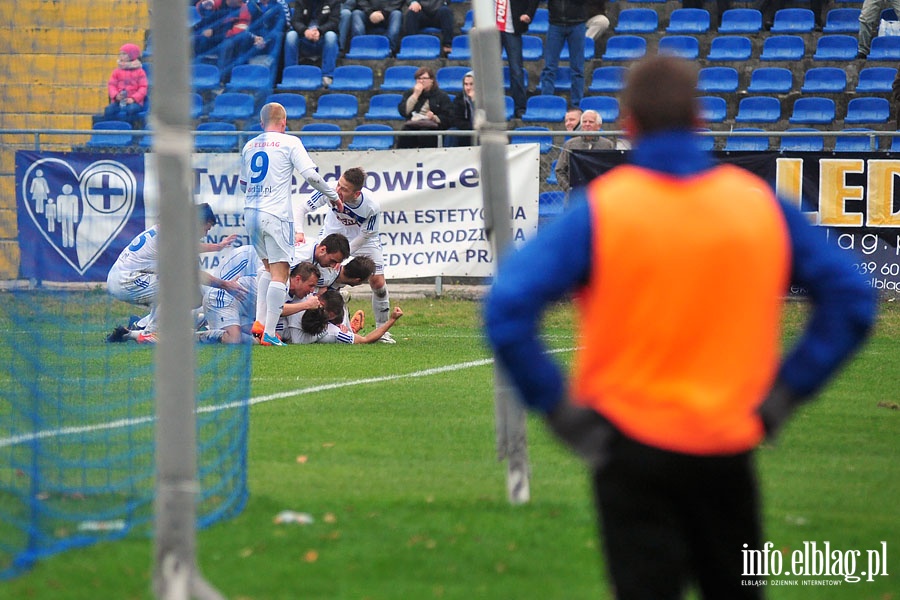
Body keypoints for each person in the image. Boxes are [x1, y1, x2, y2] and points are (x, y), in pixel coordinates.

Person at [484, 55, 877, 599]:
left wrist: (559, 410)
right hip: (726, 441)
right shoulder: (757, 204)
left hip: (627, 445)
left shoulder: (603, 209)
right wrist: (786, 393)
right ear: (701, 119)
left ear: (627, 123)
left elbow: (505, 308)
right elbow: (854, 300)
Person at [240, 101, 340, 347]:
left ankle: (260, 322)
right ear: (284, 123)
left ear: (262, 124)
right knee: (280, 274)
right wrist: (332, 196)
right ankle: (271, 333)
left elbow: (244, 183)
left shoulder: (249, 145)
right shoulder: (290, 142)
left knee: (266, 268)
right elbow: (311, 175)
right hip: (276, 215)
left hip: (250, 213)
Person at [106, 203, 243, 344]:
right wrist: (225, 285)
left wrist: (218, 247)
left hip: (120, 277)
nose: (205, 234)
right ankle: (151, 333)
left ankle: (137, 330)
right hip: (127, 280)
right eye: (206, 229)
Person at [305, 167, 397, 342]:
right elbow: (304, 206)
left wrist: (343, 256)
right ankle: (333, 325)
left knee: (378, 283)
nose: (338, 190)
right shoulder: (329, 189)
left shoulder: (371, 206)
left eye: (344, 189)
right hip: (332, 236)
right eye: (339, 184)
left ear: (356, 194)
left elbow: (365, 235)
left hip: (362, 240)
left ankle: (382, 330)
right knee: (319, 279)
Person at [540, 0, 587, 110]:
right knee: (549, 67)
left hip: (577, 23)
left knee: (577, 69)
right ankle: (546, 104)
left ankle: (577, 105)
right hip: (555, 23)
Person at [284, 0, 341, 88]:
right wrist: (305, 31)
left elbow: (334, 22)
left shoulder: (333, 2)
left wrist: (320, 31)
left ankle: (327, 76)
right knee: (291, 36)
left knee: (331, 36)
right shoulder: (301, 1)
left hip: (322, 39)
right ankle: (291, 74)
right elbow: (295, 21)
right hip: (305, 39)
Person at [496, 0, 538, 119]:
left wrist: (529, 14)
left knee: (516, 70)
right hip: (492, 30)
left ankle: (520, 107)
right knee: (489, 70)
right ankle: (487, 106)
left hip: (512, 29)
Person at [554, 109, 614, 192]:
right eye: (584, 122)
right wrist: (569, 188)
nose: (587, 124)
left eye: (591, 122)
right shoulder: (570, 144)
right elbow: (559, 170)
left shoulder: (608, 145)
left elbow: (613, 170)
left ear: (599, 126)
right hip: (575, 195)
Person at [396, 66, 453, 149]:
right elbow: (404, 112)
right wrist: (415, 95)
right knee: (406, 133)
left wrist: (434, 117)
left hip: (433, 127)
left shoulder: (441, 96)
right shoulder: (409, 93)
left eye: (424, 78)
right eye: (419, 79)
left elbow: (448, 116)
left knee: (425, 135)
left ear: (431, 80)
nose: (421, 81)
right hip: (414, 124)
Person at [102, 43, 148, 125]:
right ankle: (110, 129)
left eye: (124, 54)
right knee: (109, 110)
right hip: (119, 101)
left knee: (131, 110)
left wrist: (133, 99)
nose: (121, 56)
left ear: (132, 55)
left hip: (134, 102)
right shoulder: (117, 71)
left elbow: (143, 87)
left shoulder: (140, 72)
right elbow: (111, 85)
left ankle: (129, 130)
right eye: (120, 54)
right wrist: (116, 95)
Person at [449, 70, 476, 146]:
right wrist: (470, 126)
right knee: (452, 132)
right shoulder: (459, 98)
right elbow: (455, 120)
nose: (468, 88)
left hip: (483, 133)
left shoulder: (486, 99)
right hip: (466, 130)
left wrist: (474, 102)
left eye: (471, 84)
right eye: (466, 84)